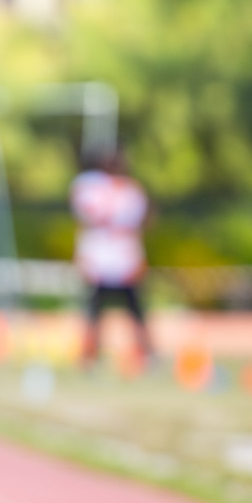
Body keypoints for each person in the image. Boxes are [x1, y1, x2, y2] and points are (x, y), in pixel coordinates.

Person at [70, 149, 154, 367]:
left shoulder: (120, 192)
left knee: (129, 310)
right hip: (107, 259)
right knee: (99, 310)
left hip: (117, 259)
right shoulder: (124, 191)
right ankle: (90, 355)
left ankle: (143, 354)